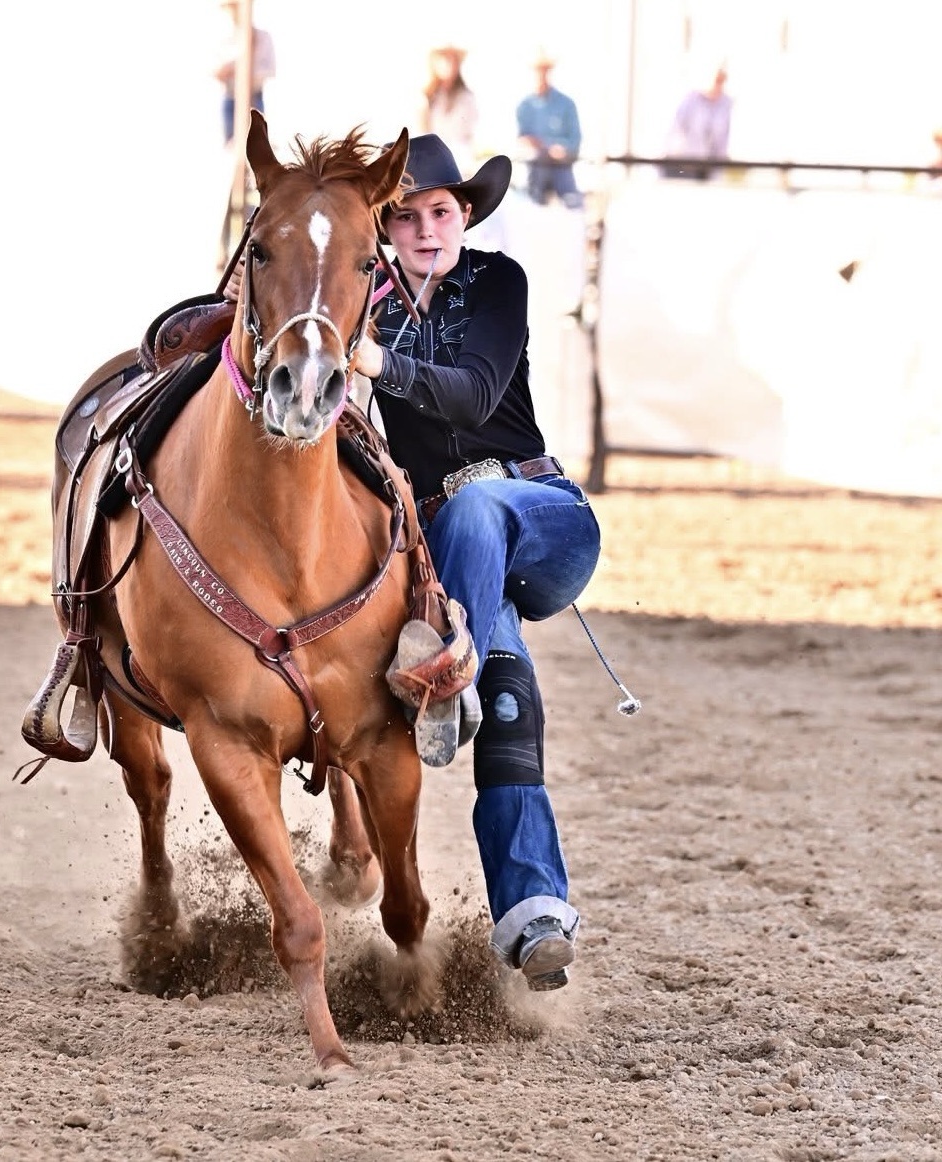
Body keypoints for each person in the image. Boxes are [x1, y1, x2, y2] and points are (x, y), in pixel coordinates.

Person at [354, 133, 601, 990]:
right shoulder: (361, 299)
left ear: (465, 215)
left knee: (477, 505)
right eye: (409, 216)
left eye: (443, 211)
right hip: (454, 552)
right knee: (506, 698)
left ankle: (443, 670)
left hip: (544, 519)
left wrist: (374, 359)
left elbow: (474, 391)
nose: (429, 230)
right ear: (384, 229)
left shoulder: (498, 282)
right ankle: (536, 918)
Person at [514, 51, 583, 209]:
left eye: (544, 69)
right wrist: (539, 146)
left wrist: (559, 149)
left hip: (561, 167)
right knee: (527, 201)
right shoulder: (524, 106)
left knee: (573, 204)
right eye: (537, 70)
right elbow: (521, 140)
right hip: (535, 168)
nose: (541, 74)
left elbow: (575, 141)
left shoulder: (566, 104)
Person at [215, 0, 277, 147]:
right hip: (230, 98)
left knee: (258, 145)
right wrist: (229, 70)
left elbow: (269, 69)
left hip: (254, 97)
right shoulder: (224, 39)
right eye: (231, 7)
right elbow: (214, 70)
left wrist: (240, 70)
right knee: (231, 147)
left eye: (236, 6)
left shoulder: (263, 38)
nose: (234, 11)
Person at [663, 64, 733, 180]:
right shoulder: (690, 99)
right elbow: (676, 132)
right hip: (681, 165)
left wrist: (718, 171)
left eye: (721, 81)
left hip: (705, 169)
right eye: (717, 80)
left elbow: (722, 142)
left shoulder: (725, 104)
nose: (718, 85)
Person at [419, 46, 479, 172]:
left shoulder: (467, 97)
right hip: (432, 162)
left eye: (453, 60)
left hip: (460, 164)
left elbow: (469, 133)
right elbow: (421, 131)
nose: (449, 64)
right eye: (445, 59)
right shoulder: (427, 96)